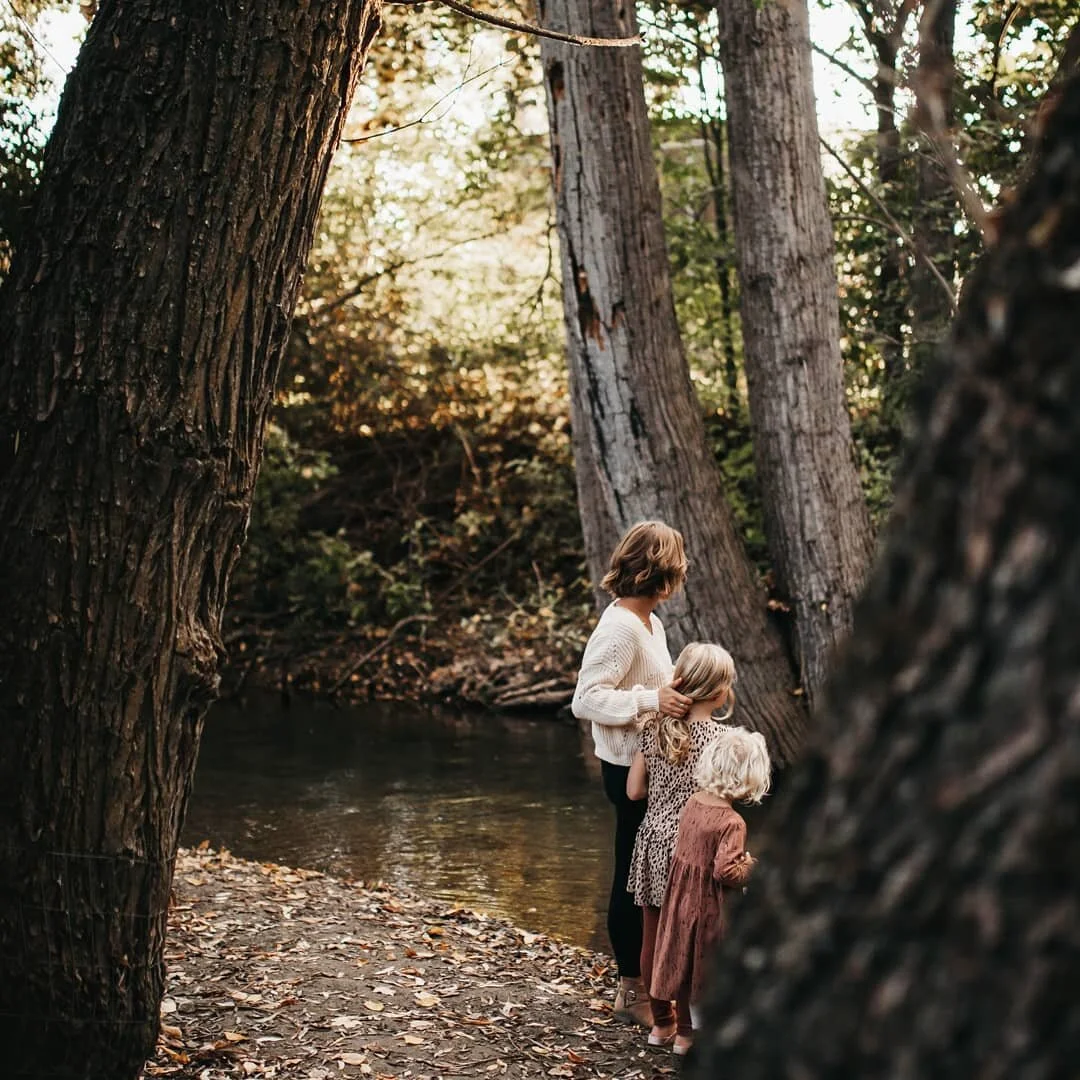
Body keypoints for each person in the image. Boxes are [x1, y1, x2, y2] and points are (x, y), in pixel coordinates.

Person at [571, 521, 693, 1027]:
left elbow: (651, 684)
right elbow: (586, 699)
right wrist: (651, 698)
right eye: (677, 571)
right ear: (659, 576)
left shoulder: (650, 623)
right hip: (626, 771)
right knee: (631, 875)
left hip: (654, 765)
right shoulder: (619, 627)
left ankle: (657, 981)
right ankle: (631, 990)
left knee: (650, 871)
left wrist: (675, 690)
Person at [625, 642, 736, 1048]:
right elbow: (727, 796)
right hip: (694, 850)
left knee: (653, 939)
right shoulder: (723, 741)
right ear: (720, 692)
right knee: (688, 945)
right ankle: (687, 1034)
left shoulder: (654, 727)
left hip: (652, 846)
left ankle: (660, 1024)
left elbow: (634, 791)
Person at [650, 725, 771, 1056]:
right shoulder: (732, 822)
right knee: (705, 967)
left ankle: (671, 1033)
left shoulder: (693, 802)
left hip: (680, 898)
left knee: (683, 963)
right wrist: (752, 866)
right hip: (708, 907)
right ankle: (692, 1038)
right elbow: (725, 871)